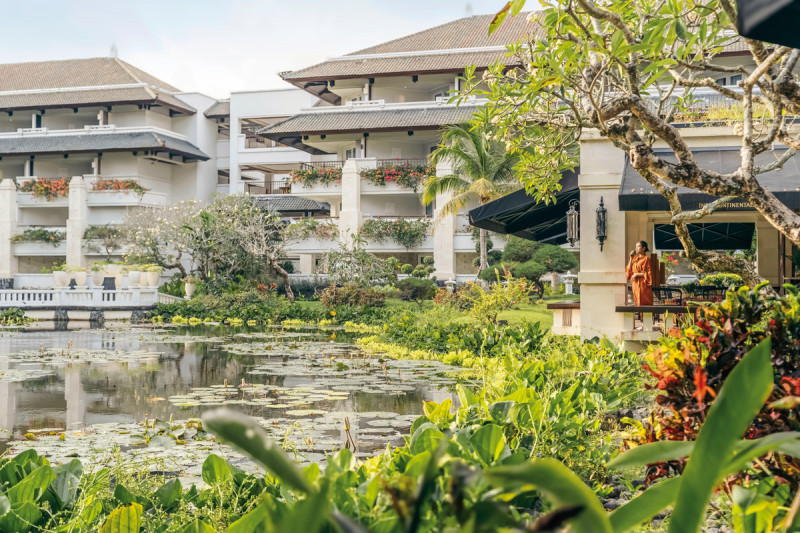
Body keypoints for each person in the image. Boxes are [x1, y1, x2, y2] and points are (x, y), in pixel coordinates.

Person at [626, 240, 653, 306]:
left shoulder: (646, 259)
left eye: (638, 246)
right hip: (635, 284)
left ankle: (646, 313)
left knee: (644, 303)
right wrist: (631, 258)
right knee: (637, 302)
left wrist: (637, 274)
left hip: (643, 284)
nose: (636, 248)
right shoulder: (634, 258)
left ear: (643, 248)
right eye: (636, 247)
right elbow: (629, 270)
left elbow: (649, 273)